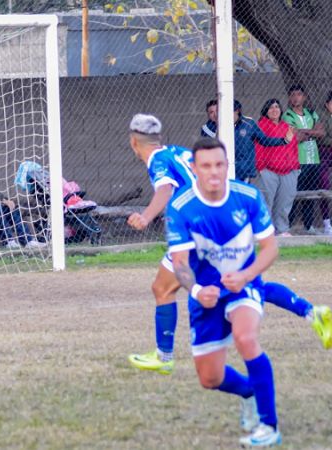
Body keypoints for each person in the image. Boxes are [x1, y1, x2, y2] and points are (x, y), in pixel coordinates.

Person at [126, 114, 331, 375]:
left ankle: (164, 356)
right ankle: (313, 313)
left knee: (165, 288)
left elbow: (165, 189)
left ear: (134, 143)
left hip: (199, 229)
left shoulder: (156, 161)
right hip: (221, 219)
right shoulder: (176, 152)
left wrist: (145, 217)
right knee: (242, 286)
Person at [167, 137, 282, 446]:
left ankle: (269, 425)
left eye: (219, 164)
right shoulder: (180, 207)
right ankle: (247, 391)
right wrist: (196, 291)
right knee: (210, 379)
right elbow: (179, 265)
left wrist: (246, 275)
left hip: (245, 285)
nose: (214, 172)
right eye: (206, 166)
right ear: (194, 168)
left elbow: (270, 248)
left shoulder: (248, 196)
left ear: (227, 165)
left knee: (246, 338)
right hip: (206, 294)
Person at [282, 84, 328, 233]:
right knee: (295, 194)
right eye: (293, 95)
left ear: (304, 97)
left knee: (311, 194)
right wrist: (311, 132)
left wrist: (304, 131)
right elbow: (296, 137)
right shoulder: (287, 115)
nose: (296, 97)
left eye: (299, 95)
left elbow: (322, 133)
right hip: (298, 161)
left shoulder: (311, 113)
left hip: (313, 160)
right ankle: (288, 226)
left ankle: (309, 227)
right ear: (290, 98)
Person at [254, 99, 299, 237]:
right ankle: (266, 231)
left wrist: (295, 167)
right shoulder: (261, 126)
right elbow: (258, 147)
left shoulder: (287, 126)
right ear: (266, 111)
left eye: (277, 107)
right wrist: (261, 168)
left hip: (289, 171)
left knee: (284, 203)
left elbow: (294, 148)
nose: (274, 110)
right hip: (268, 171)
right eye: (271, 108)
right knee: (266, 201)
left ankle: (282, 229)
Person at [313, 90, 332, 235]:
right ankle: (326, 222)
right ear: (327, 104)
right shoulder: (321, 115)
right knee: (324, 183)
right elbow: (322, 135)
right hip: (325, 151)